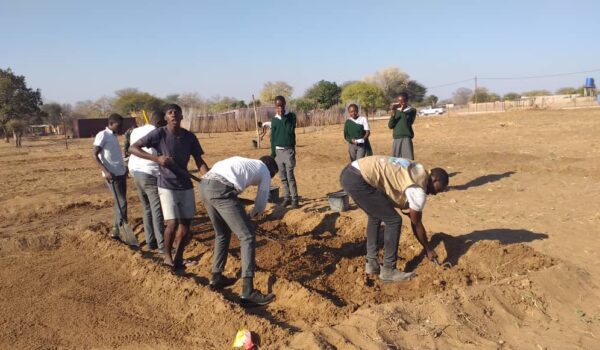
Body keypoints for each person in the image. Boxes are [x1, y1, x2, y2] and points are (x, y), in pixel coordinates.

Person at [340, 156, 449, 282]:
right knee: (394, 221)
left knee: (376, 214)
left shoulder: (418, 169)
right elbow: (416, 223)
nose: (435, 193)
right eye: (438, 189)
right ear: (435, 179)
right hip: (359, 180)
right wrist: (428, 248)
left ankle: (372, 264)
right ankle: (389, 270)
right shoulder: (418, 191)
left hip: (350, 172)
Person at [129, 104, 209, 270]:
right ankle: (167, 256)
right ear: (165, 118)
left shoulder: (189, 137)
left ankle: (179, 257)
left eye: (176, 113)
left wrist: (208, 178)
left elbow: (199, 161)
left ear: (181, 117)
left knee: (185, 225)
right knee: (172, 224)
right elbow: (132, 148)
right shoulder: (159, 133)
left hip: (185, 184)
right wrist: (156, 159)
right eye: (170, 113)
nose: (173, 115)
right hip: (166, 184)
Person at [200, 155, 279, 306]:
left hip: (205, 185)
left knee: (222, 233)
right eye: (272, 175)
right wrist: (251, 215)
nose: (270, 177)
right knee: (247, 236)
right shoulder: (264, 170)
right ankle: (248, 292)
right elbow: (261, 203)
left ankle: (216, 277)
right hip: (221, 190)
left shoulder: (246, 162)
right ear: (271, 170)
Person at [128, 110, 167, 253]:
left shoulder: (136, 131)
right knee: (157, 209)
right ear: (159, 122)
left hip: (135, 172)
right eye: (164, 123)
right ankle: (162, 246)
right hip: (149, 173)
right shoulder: (157, 132)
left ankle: (151, 242)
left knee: (147, 208)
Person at [92, 113, 128, 240]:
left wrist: (124, 168)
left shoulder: (113, 136)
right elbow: (94, 155)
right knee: (122, 202)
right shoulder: (103, 135)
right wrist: (106, 171)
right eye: (119, 125)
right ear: (111, 123)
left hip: (120, 173)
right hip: (111, 175)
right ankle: (121, 230)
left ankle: (116, 229)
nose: (121, 127)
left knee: (120, 203)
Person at [270, 96, 299, 208]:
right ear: (275, 107)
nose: (280, 109)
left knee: (290, 176)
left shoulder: (291, 117)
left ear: (285, 104)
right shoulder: (274, 120)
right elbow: (273, 138)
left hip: (288, 151)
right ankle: (287, 198)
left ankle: (295, 199)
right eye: (278, 106)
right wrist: (273, 153)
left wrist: (284, 117)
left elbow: (290, 130)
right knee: (282, 177)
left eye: (282, 106)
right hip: (278, 152)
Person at [388, 93, 417, 160]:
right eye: (399, 101)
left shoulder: (411, 110)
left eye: (402, 101)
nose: (400, 103)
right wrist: (393, 113)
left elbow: (408, 122)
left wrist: (402, 110)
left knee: (408, 160)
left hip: (406, 138)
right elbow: (390, 125)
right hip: (396, 138)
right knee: (395, 161)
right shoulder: (396, 111)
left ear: (406, 101)